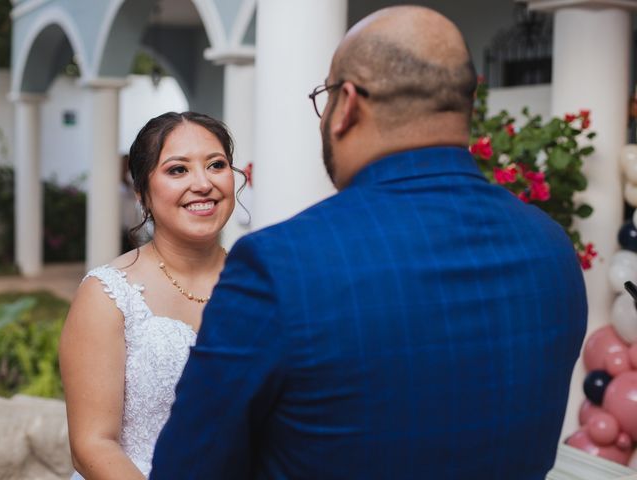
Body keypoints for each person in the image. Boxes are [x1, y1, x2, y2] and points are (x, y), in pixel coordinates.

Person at [151, 6, 587, 479]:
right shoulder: (551, 248)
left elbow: (187, 469)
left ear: (349, 105)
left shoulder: (283, 264)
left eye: (325, 99)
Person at [60, 111, 239, 479]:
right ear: (142, 192)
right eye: (178, 170)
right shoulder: (108, 294)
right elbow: (92, 444)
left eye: (216, 165)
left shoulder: (260, 284)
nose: (203, 183)